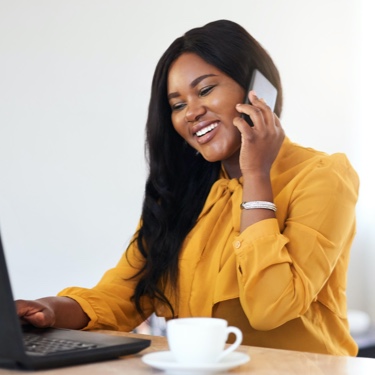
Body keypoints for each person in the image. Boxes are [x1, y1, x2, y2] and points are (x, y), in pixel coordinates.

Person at [16, 19, 359, 356]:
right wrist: (50, 309)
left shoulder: (322, 176)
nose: (191, 112)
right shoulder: (182, 192)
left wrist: (256, 174)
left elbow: (271, 307)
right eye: (178, 105)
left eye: (206, 90)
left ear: (256, 91)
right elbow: (123, 294)